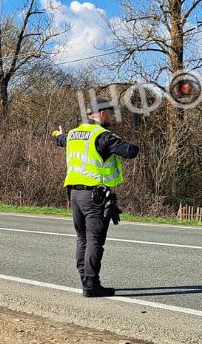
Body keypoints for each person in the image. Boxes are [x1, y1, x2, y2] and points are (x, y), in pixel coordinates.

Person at [53, 98, 140, 297]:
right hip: (94, 197)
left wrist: (59, 135)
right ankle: (91, 286)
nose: (110, 116)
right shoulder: (102, 136)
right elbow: (130, 152)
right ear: (101, 114)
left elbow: (60, 140)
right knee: (94, 241)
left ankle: (86, 280)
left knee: (82, 239)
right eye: (109, 113)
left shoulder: (73, 135)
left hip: (74, 195)